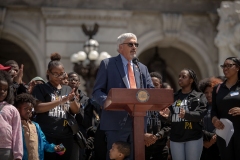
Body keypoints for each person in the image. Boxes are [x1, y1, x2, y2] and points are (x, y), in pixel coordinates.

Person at [92, 33, 154, 159]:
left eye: (136, 44)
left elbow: (151, 92)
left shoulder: (142, 68)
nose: (134, 47)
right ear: (120, 47)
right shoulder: (108, 64)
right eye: (130, 44)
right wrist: (108, 102)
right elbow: (97, 91)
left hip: (137, 122)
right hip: (115, 122)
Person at [31, 53, 80, 160]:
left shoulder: (67, 89)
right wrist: (60, 101)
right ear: (48, 72)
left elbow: (76, 110)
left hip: (65, 135)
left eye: (61, 74)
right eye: (55, 74)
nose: (59, 77)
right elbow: (38, 108)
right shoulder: (41, 88)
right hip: (47, 135)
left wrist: (71, 99)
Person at [160, 68, 207, 160]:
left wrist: (186, 114)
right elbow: (168, 117)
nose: (180, 78)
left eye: (184, 77)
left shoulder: (199, 96)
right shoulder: (173, 97)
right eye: (179, 76)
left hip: (193, 137)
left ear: (191, 80)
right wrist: (166, 116)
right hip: (176, 137)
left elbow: (201, 113)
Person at [15, 93, 65, 160]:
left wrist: (54, 147)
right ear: (17, 110)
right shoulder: (15, 125)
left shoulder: (35, 126)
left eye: (30, 109)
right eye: (25, 108)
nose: (28, 111)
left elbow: (43, 144)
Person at [211, 57, 240, 160]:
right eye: (224, 66)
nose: (225, 69)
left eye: (229, 65)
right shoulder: (217, 88)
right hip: (224, 134)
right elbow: (213, 109)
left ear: (237, 68)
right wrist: (214, 120)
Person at [145, 72, 170, 160]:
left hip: (160, 148)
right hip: (143, 147)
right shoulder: (139, 103)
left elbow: (169, 125)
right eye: (150, 84)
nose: (153, 87)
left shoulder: (166, 104)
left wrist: (156, 136)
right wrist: (143, 135)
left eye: (156, 84)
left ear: (160, 86)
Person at [0, 70, 23, 160]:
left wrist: (18, 155)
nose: (2, 91)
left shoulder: (12, 109)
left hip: (6, 150)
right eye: (0, 88)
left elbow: (17, 132)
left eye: (5, 89)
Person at [199, 77, 222, 160]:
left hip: (218, 144)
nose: (209, 95)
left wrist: (212, 141)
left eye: (211, 92)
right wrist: (203, 142)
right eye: (206, 92)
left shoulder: (221, 107)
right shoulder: (200, 108)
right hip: (203, 146)